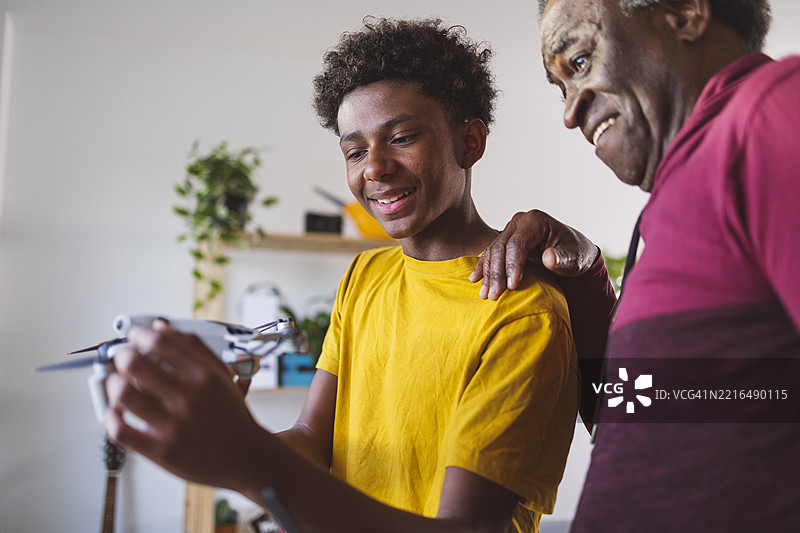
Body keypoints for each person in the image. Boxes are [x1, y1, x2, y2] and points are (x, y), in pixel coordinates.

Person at [104, 18, 582, 532]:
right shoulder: (365, 274)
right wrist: (222, 440)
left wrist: (247, 455)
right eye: (355, 151)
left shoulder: (523, 310)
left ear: (469, 142)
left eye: (400, 137)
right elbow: (314, 438)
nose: (374, 168)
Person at [472, 0, 800, 531]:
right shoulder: (678, 194)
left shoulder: (773, 112)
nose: (570, 112)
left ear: (685, 13)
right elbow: (639, 415)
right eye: (559, 87)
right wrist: (584, 279)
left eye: (578, 62)